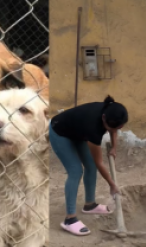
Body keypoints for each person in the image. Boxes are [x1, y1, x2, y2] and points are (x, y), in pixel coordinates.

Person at [49, 95, 128, 236]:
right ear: (104, 119)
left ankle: (90, 205)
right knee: (75, 170)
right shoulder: (93, 128)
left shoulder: (111, 111)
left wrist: (114, 147)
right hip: (59, 133)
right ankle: (69, 219)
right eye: (111, 127)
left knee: (90, 165)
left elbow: (113, 129)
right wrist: (112, 184)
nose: (114, 130)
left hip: (77, 132)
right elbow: (100, 163)